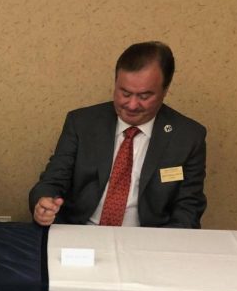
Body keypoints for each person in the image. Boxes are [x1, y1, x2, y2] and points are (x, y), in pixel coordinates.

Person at [29, 41, 206, 228]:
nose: (132, 105)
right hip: (81, 233)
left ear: (165, 90)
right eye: (125, 93)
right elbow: (53, 180)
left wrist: (161, 248)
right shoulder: (82, 123)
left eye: (144, 96)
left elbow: (188, 207)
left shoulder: (188, 137)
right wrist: (43, 203)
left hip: (149, 239)